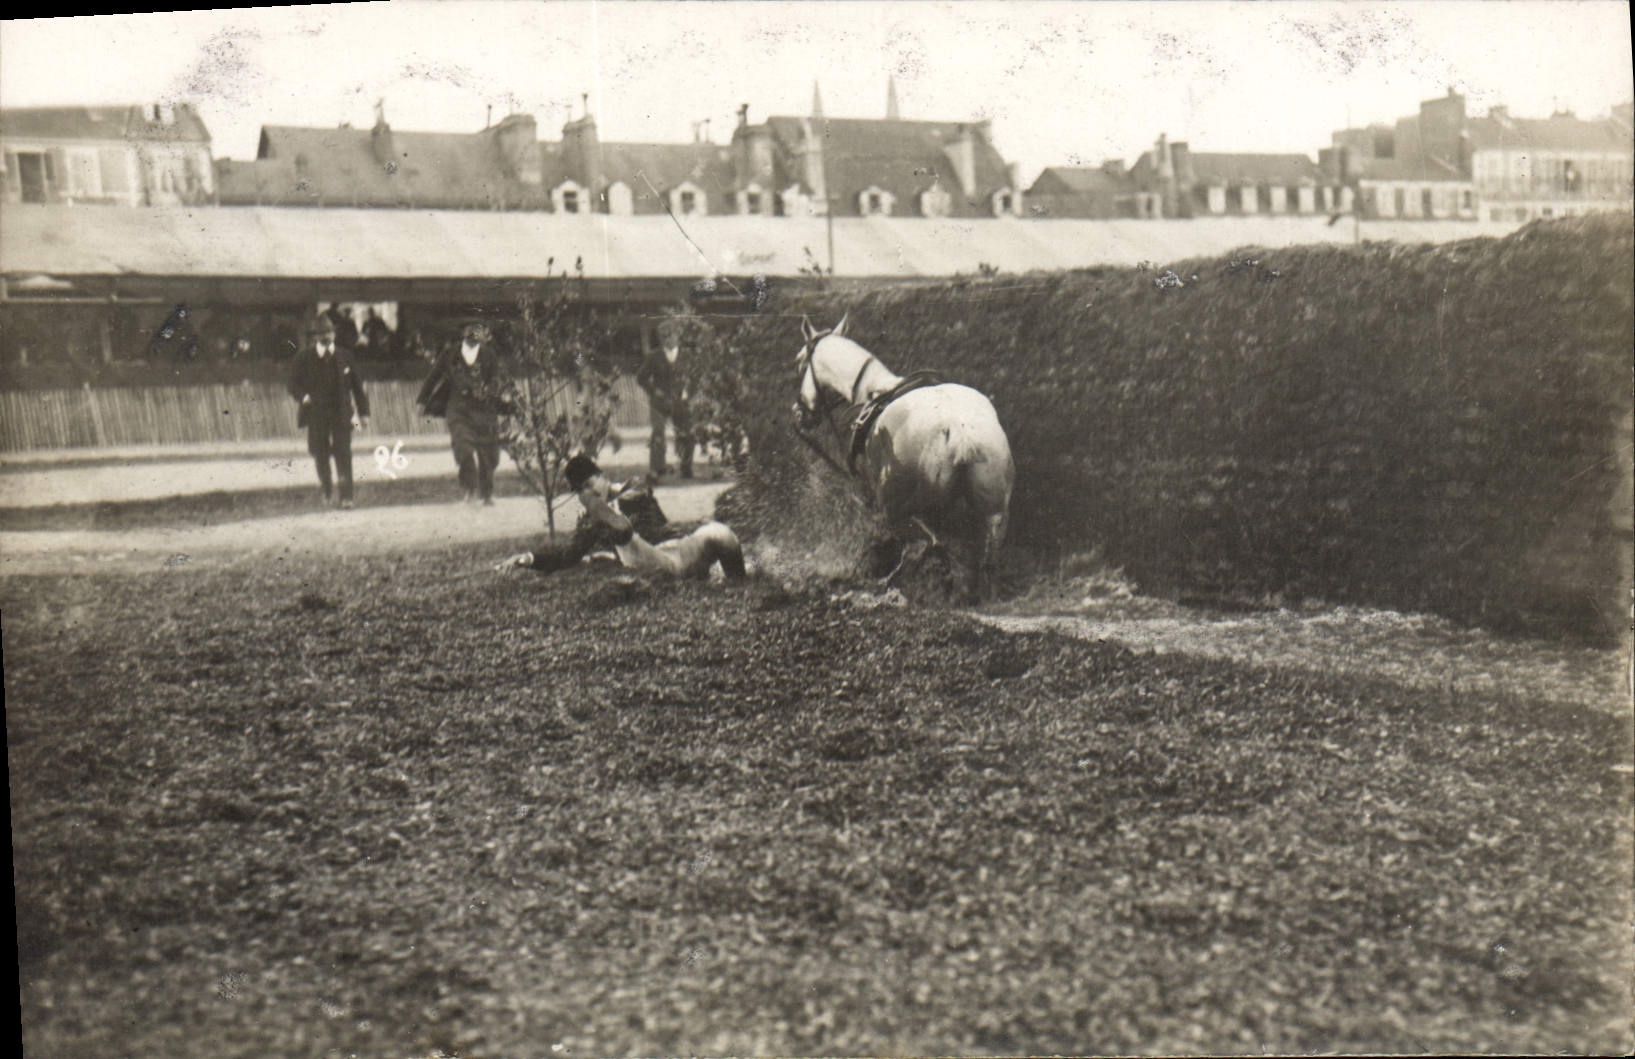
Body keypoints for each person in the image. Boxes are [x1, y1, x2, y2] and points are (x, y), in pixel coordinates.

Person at [496, 455, 676, 574]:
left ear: (601, 476)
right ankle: (614, 541)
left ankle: (616, 540)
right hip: (637, 561)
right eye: (582, 490)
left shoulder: (634, 492)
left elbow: (659, 531)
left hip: (668, 553)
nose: (589, 492)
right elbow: (567, 555)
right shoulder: (590, 518)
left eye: (590, 484)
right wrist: (526, 559)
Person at [418, 316, 509, 505]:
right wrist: (422, 400)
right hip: (458, 409)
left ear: (484, 334)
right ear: (463, 332)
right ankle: (470, 489)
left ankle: (487, 493)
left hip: (484, 411)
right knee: (463, 449)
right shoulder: (451, 353)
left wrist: (491, 392)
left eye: (479, 328)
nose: (474, 332)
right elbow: (434, 375)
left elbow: (497, 379)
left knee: (488, 454)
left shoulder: (489, 354)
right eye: (470, 328)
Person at [288, 313, 369, 508]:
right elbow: (292, 384)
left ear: (334, 334)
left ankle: (346, 496)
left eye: (330, 332)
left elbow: (358, 387)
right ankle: (326, 490)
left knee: (343, 453)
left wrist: (364, 413)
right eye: (322, 334)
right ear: (314, 337)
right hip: (316, 414)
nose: (326, 337)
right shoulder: (304, 357)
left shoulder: (345, 356)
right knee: (320, 453)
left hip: (341, 413)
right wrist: (304, 396)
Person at [635, 325, 695, 479]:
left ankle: (686, 467)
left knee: (686, 433)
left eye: (671, 335)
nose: (668, 339)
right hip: (659, 403)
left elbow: (696, 376)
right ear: (661, 339)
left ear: (678, 336)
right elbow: (640, 377)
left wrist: (689, 392)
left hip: (681, 402)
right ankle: (657, 469)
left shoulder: (687, 356)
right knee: (658, 433)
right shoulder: (654, 356)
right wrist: (653, 390)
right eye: (664, 336)